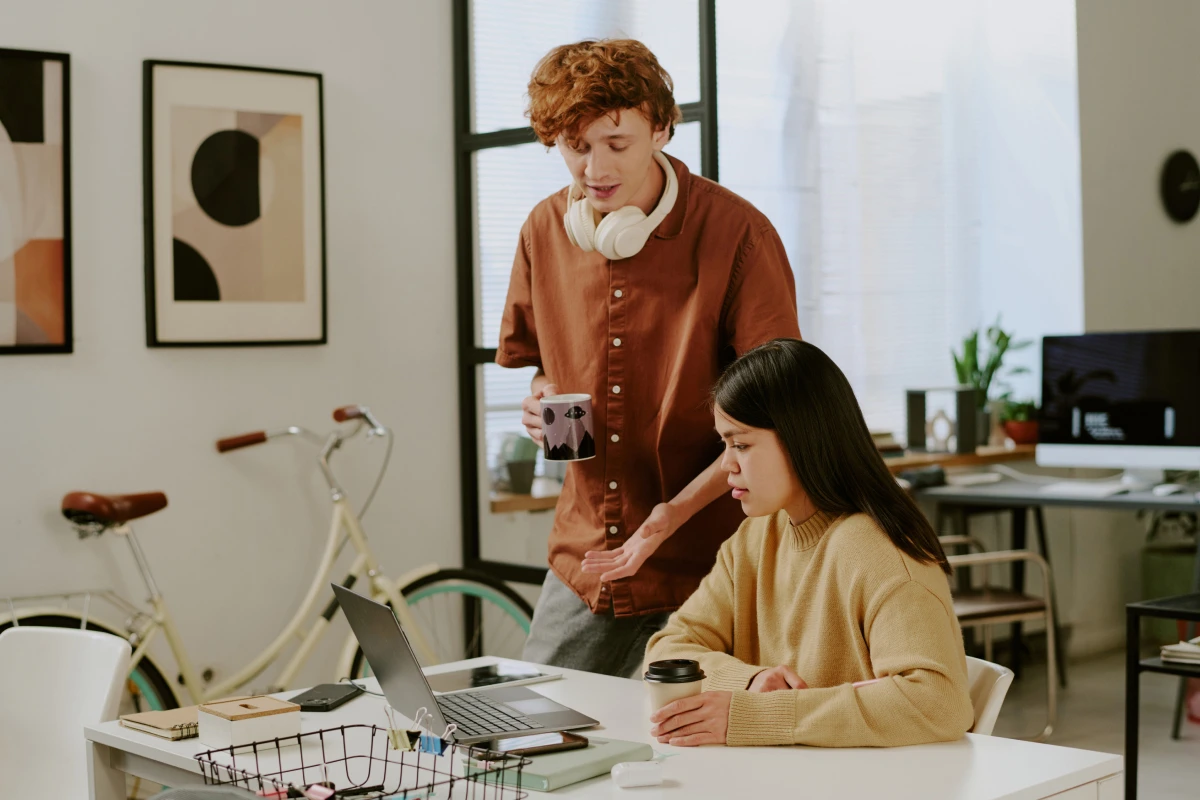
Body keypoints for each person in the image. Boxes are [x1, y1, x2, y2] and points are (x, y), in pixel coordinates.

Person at [496, 39, 801, 677]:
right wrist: (541, 401)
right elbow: (543, 366)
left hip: (710, 559)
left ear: (661, 128)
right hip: (587, 557)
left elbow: (775, 417)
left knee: (694, 750)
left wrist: (667, 519)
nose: (594, 168)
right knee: (531, 733)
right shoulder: (542, 231)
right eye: (575, 147)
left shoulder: (738, 235)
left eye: (617, 143)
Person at [644, 338, 974, 747]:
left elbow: (938, 702)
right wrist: (750, 681)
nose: (727, 464)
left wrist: (762, 716)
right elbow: (666, 650)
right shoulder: (754, 539)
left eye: (741, 444)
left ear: (802, 438)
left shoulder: (879, 550)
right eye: (725, 444)